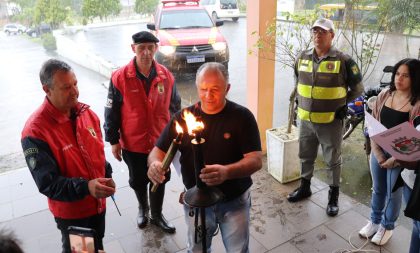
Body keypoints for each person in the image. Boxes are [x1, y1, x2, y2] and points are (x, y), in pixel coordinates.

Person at [147, 62, 262, 252]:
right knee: (197, 249)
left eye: (215, 89)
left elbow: (255, 159)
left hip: (233, 200)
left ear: (228, 88)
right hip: (195, 200)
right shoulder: (183, 118)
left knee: (238, 249)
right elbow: (157, 152)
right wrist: (155, 164)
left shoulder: (242, 117)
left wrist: (227, 171)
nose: (208, 96)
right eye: (203, 89)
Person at [21, 59, 116, 253]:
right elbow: (48, 183)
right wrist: (86, 187)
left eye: (75, 84)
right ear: (47, 89)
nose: (74, 92)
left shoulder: (87, 114)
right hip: (73, 214)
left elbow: (97, 154)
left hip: (98, 205)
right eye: (66, 87)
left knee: (97, 245)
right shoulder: (35, 131)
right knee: (82, 250)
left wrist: (107, 174)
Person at [103, 31, 181, 233]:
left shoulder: (166, 76)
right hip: (133, 142)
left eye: (150, 47)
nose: (146, 52)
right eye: (141, 48)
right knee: (137, 179)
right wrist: (113, 140)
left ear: (156, 48)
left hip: (160, 141)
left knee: (160, 177)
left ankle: (157, 214)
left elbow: (175, 108)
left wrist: (177, 137)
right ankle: (142, 208)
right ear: (133, 49)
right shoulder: (119, 77)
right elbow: (111, 111)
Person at [287, 18, 364, 217]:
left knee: (332, 160)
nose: (317, 35)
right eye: (315, 31)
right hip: (305, 120)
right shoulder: (302, 57)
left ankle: (333, 196)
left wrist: (342, 104)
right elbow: (298, 83)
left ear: (332, 34)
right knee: (305, 156)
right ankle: (305, 187)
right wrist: (299, 104)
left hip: (331, 121)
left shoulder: (344, 61)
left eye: (322, 31)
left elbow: (358, 89)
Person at [358, 58, 420, 246]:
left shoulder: (417, 104)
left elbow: (415, 142)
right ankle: (374, 220)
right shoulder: (385, 94)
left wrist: (393, 160)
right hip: (379, 150)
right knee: (378, 189)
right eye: (397, 74)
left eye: (405, 75)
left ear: (415, 78)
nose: (399, 79)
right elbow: (373, 125)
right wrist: (377, 153)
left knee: (393, 194)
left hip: (401, 157)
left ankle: (387, 226)